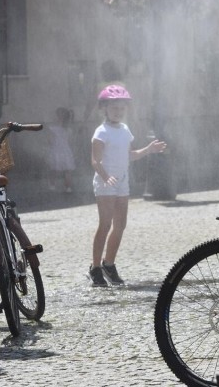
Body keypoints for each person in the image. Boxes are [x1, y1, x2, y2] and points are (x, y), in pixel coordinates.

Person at [88, 85, 166, 287]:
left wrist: (148, 150)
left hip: (122, 182)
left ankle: (109, 264)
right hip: (106, 183)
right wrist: (105, 177)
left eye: (121, 108)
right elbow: (95, 161)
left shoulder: (124, 130)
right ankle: (95, 267)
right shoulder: (101, 132)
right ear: (104, 108)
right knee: (105, 225)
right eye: (114, 107)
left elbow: (129, 155)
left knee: (120, 225)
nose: (118, 111)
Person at [47, 107, 76, 193]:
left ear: (57, 117)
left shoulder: (52, 129)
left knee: (54, 169)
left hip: (56, 150)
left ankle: (52, 185)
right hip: (66, 151)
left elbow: (50, 141)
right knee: (67, 170)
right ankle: (68, 188)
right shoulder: (69, 129)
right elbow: (71, 141)